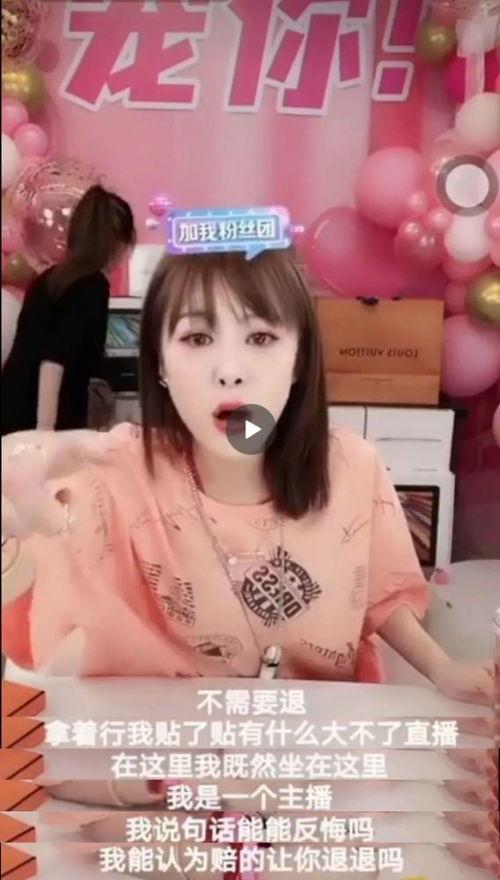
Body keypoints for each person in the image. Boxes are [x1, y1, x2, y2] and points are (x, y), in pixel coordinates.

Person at [1, 248, 497, 877]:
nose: (230, 371)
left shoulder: (351, 467)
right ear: (159, 365)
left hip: (312, 762)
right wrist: (19, 513)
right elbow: (38, 594)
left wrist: (442, 669)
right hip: (159, 763)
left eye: (261, 337)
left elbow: (382, 595)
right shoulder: (113, 470)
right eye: (197, 338)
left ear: (299, 360)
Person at [1, 184, 135, 435]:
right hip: (39, 418)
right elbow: (54, 359)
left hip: (11, 408)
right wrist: (46, 430)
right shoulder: (91, 285)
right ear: (119, 243)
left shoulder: (51, 278)